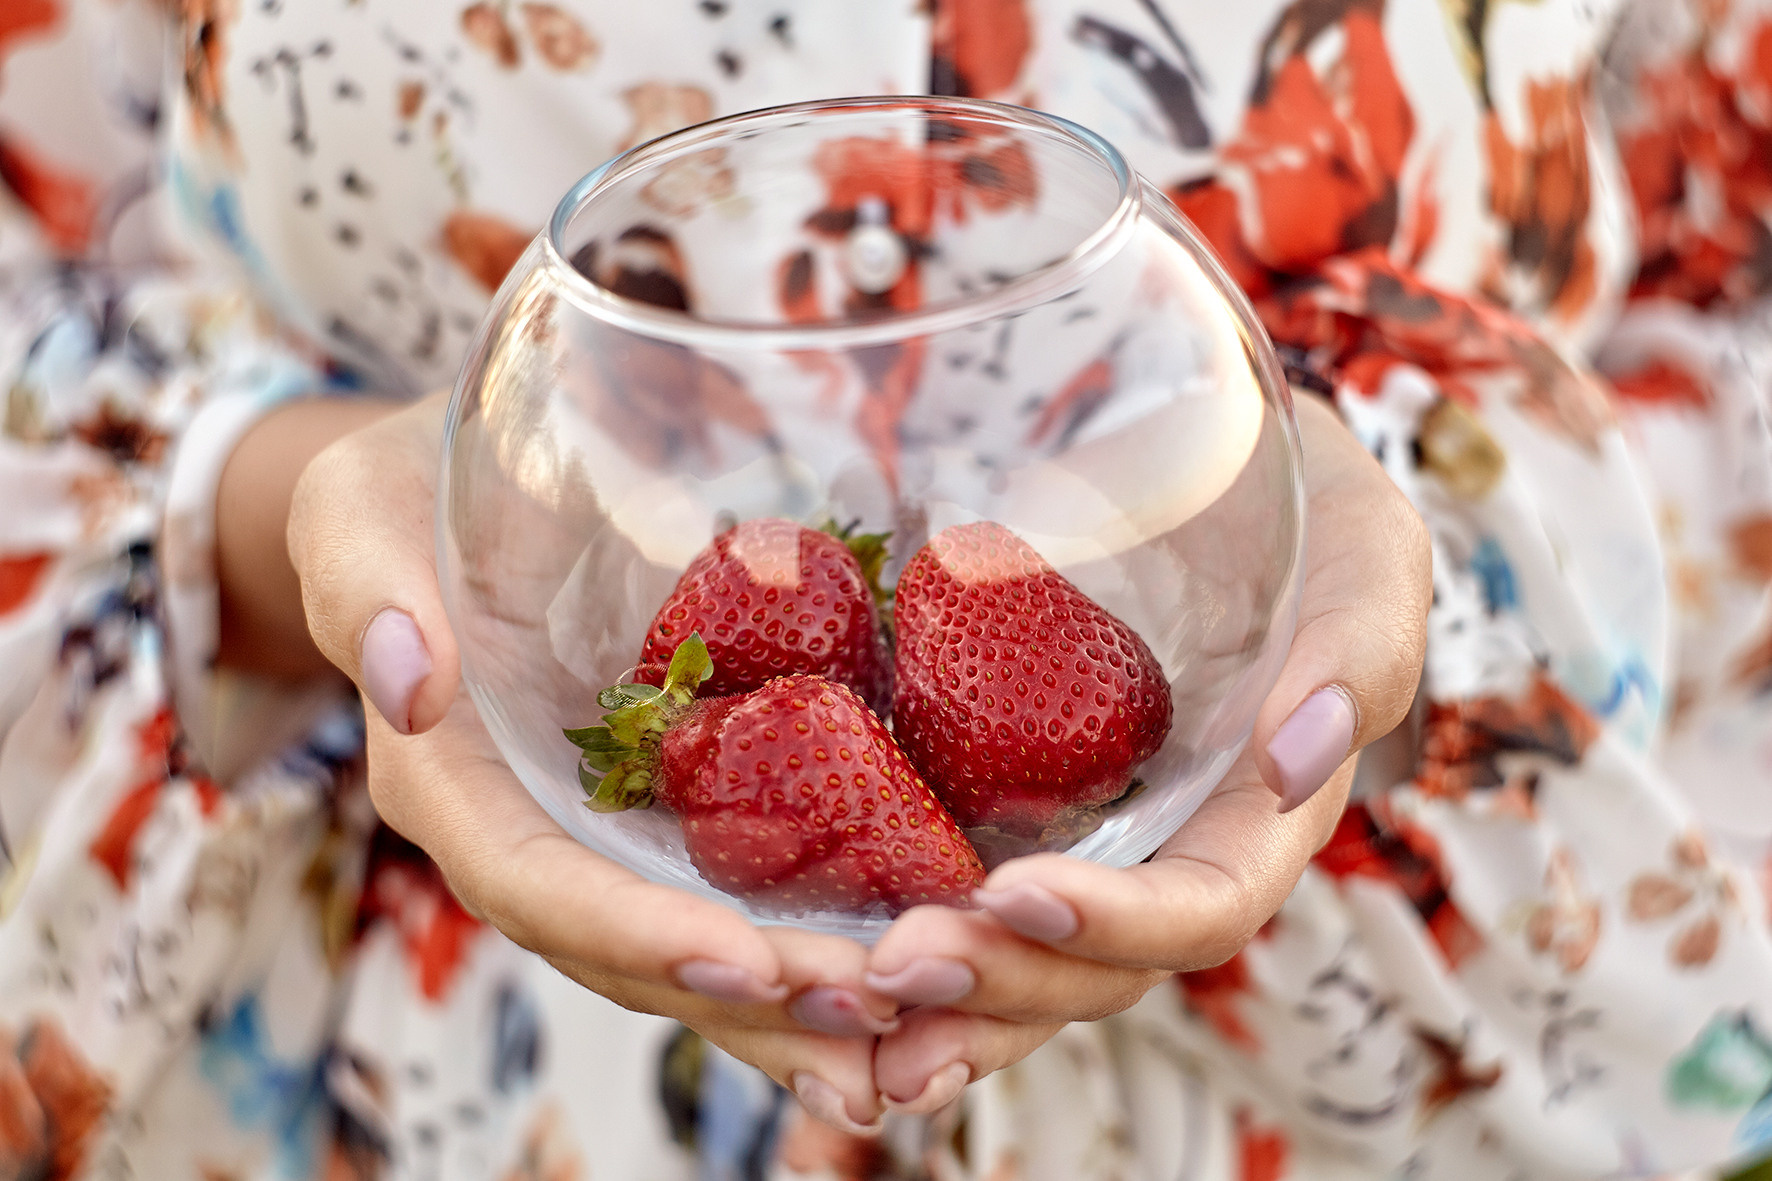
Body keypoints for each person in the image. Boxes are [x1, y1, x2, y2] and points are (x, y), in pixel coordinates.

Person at [0, 0, 1768, 1178]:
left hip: (1330, 1054)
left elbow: (1739, 272)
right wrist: (293, 505)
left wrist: (1361, 544)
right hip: (458, 1075)